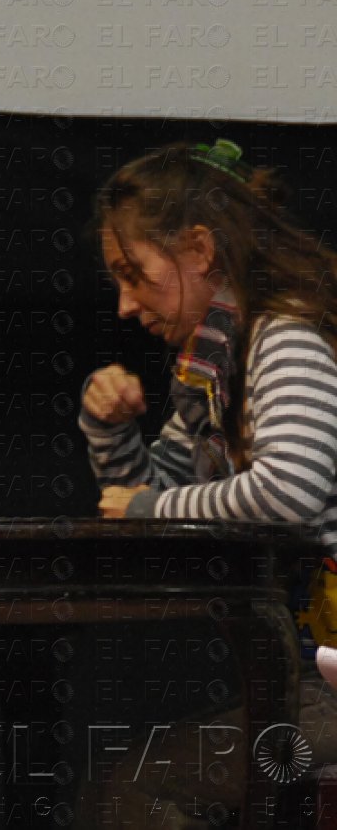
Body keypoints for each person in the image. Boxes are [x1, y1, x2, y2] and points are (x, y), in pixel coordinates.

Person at [78, 140, 337, 798]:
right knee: (130, 774)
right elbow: (156, 498)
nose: (125, 305)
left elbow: (290, 491)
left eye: (134, 274)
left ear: (199, 249)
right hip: (312, 671)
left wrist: (147, 507)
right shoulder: (214, 366)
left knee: (138, 789)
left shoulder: (284, 337)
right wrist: (110, 429)